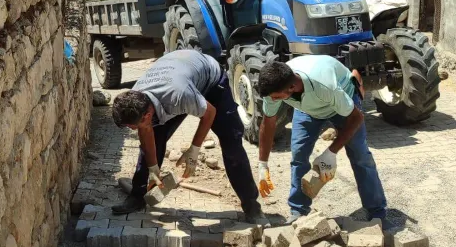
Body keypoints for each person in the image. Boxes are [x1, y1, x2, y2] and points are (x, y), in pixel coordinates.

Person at [111, 49, 263, 219]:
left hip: (212, 83)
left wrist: (194, 149)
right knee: (153, 141)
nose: (132, 130)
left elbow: (209, 113)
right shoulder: (137, 96)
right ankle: (137, 196)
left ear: (147, 115)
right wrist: (153, 170)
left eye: (132, 126)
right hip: (176, 78)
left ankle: (251, 206)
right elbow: (146, 134)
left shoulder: (179, 95)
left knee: (231, 142)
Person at [256, 57, 387, 222]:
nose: (273, 100)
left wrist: (331, 152)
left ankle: (377, 212)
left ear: (292, 87)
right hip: (308, 109)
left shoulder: (325, 85)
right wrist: (263, 164)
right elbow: (268, 123)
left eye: (276, 98)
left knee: (360, 155)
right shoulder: (274, 85)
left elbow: (356, 118)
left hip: (343, 103)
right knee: (299, 155)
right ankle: (298, 211)